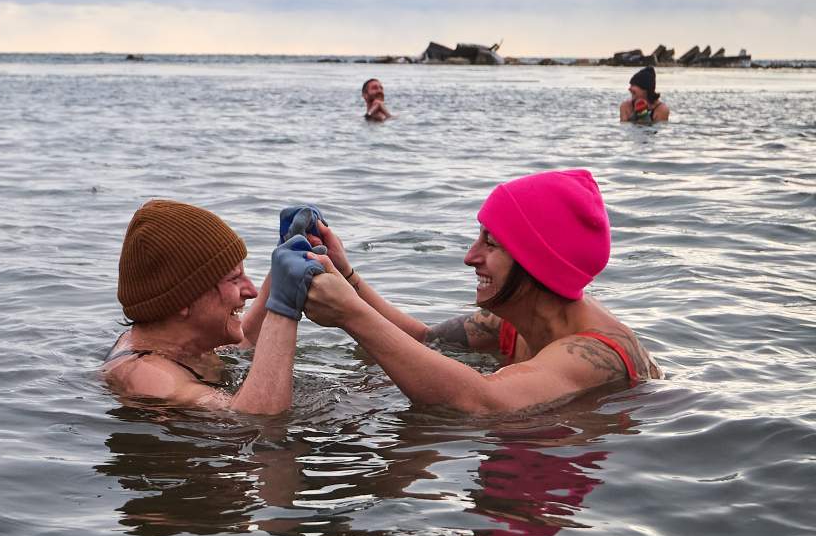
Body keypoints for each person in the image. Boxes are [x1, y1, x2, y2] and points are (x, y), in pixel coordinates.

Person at [297, 170, 661, 414]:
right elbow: (425, 340)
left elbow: (482, 403)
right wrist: (346, 276)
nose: (470, 256)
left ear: (536, 262)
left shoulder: (594, 354)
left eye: (491, 243)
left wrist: (351, 315)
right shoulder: (515, 319)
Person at [103, 199, 324, 413]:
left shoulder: (182, 344)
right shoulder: (147, 374)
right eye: (234, 279)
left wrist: (288, 255)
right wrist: (284, 309)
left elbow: (245, 338)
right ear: (183, 299)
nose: (251, 291)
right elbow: (253, 421)